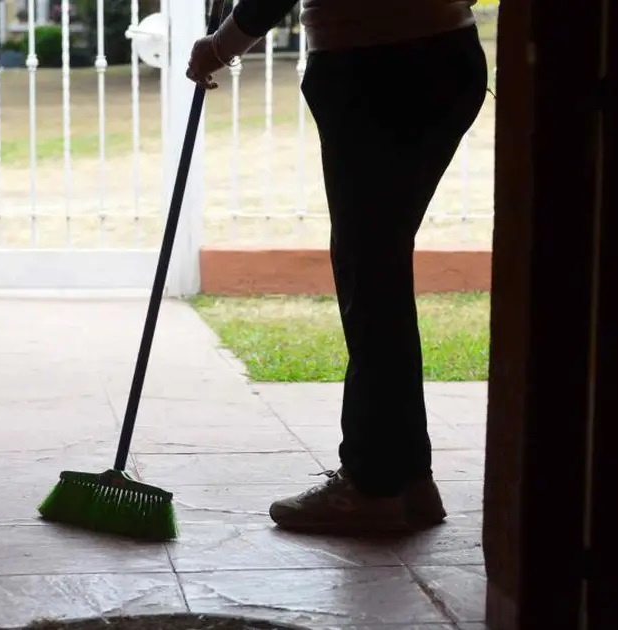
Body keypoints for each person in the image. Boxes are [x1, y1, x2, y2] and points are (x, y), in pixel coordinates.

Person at [187, 0, 488, 535]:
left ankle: (371, 486)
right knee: (381, 268)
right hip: (449, 53)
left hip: (373, 68)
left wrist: (221, 45)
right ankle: (409, 479)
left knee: (370, 275)